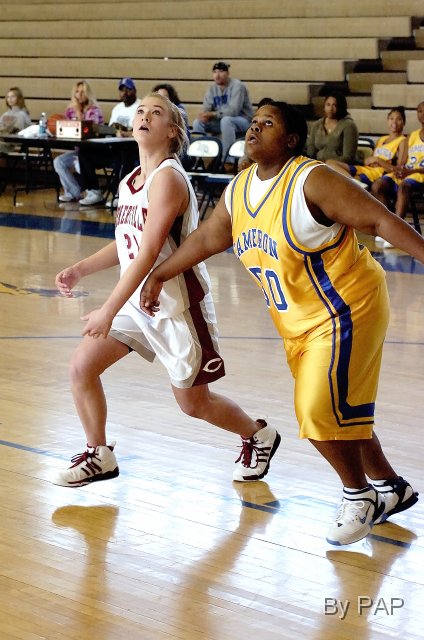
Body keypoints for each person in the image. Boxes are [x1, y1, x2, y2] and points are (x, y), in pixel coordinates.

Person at [139, 100, 421, 546]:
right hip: (298, 320)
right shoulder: (241, 188)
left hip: (348, 306)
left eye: (266, 124)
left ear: (290, 140)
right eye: (253, 122)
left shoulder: (313, 180)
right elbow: (210, 236)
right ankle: (391, 487)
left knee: (315, 410)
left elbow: (380, 220)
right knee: (339, 410)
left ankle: (359, 495)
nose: (253, 129)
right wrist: (160, 273)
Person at [52, 92, 280, 488]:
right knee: (81, 367)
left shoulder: (169, 178)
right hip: (138, 303)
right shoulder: (131, 180)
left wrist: (107, 309)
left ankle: (258, 434)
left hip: (177, 305)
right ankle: (99, 453)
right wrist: (80, 269)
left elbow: (148, 252)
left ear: (172, 131)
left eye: (156, 113)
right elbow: (127, 243)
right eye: (140, 111)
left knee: (194, 403)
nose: (144, 116)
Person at [78, 78, 141, 206]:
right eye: (122, 90)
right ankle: (94, 191)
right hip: (113, 148)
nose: (125, 93)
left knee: (124, 156)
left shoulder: (141, 107)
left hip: (131, 150)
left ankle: (119, 194)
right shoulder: (117, 108)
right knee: (84, 153)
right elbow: (112, 129)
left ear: (134, 91)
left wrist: (125, 131)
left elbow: (140, 131)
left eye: (128, 90)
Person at [371, 101, 424, 235]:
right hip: (407, 174)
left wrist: (410, 171)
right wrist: (400, 170)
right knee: (378, 185)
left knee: (404, 186)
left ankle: (396, 231)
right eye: (420, 111)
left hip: (419, 175)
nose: (423, 114)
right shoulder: (412, 136)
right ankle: (387, 225)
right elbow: (402, 162)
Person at [326, 107, 407, 188]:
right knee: (330, 163)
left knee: (344, 184)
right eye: (391, 118)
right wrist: (370, 161)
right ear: (387, 120)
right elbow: (369, 160)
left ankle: (354, 183)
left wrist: (378, 160)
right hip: (366, 169)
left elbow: (398, 171)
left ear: (403, 122)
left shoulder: (403, 141)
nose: (394, 122)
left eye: (398, 119)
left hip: (377, 174)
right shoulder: (381, 139)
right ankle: (353, 182)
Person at [52, 80, 104, 203]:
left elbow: (86, 131)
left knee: (79, 163)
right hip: (78, 151)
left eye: (82, 92)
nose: (79, 95)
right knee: (58, 161)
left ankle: (94, 192)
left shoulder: (94, 110)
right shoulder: (70, 110)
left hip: (93, 151)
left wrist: (78, 112)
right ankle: (73, 192)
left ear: (88, 94)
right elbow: (66, 128)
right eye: (77, 92)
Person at [192, 61, 253, 162]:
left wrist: (213, 114)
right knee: (197, 122)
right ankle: (200, 159)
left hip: (244, 120)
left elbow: (234, 111)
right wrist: (204, 115)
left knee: (226, 121)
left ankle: (227, 160)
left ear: (227, 73)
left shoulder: (238, 86)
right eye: (215, 72)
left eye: (221, 71)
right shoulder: (212, 88)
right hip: (221, 121)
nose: (217, 75)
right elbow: (207, 108)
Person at [307, 91, 358, 164]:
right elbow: (310, 153)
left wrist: (327, 164)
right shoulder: (317, 125)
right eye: (328, 104)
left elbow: (348, 157)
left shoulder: (349, 125)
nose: (330, 109)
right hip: (318, 165)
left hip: (339, 166)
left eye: (335, 105)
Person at [0, 86, 32, 153]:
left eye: (13, 96)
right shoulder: (5, 114)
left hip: (12, 143)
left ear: (19, 98)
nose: (10, 99)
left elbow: (16, 131)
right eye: (8, 97)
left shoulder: (22, 114)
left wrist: (4, 131)